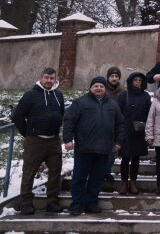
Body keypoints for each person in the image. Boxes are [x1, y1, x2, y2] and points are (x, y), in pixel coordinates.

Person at [63, 76, 125, 215]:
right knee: (79, 177)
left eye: (101, 86)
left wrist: (119, 142)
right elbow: (69, 121)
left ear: (105, 88)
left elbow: (120, 124)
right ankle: (77, 204)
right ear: (91, 88)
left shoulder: (113, 105)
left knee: (97, 178)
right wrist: (68, 139)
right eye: (96, 86)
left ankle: (91, 202)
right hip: (84, 148)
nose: (99, 88)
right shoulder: (80, 103)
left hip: (104, 148)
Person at [11, 67, 66, 215]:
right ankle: (26, 202)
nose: (49, 80)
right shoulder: (30, 95)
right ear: (41, 78)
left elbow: (61, 114)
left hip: (53, 140)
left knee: (55, 171)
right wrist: (29, 133)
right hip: (35, 141)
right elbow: (18, 116)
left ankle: (52, 202)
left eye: (52, 78)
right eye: (46, 77)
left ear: (55, 80)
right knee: (29, 172)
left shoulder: (58, 95)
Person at [116, 71, 151, 195]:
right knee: (125, 158)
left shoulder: (146, 96)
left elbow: (149, 114)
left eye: (140, 81)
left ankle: (133, 182)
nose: (137, 82)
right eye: (135, 80)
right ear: (131, 81)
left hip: (139, 131)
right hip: (125, 131)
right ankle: (124, 182)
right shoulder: (123, 95)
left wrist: (147, 129)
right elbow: (117, 113)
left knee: (136, 158)